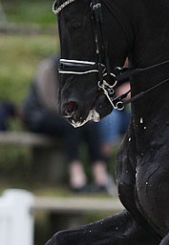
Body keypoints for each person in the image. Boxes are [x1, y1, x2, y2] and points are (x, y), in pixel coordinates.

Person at [22, 55, 111, 193]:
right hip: (39, 116)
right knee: (72, 125)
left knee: (91, 124)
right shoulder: (48, 68)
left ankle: (100, 176)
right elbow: (49, 103)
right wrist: (74, 112)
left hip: (63, 114)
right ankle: (77, 177)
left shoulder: (77, 72)